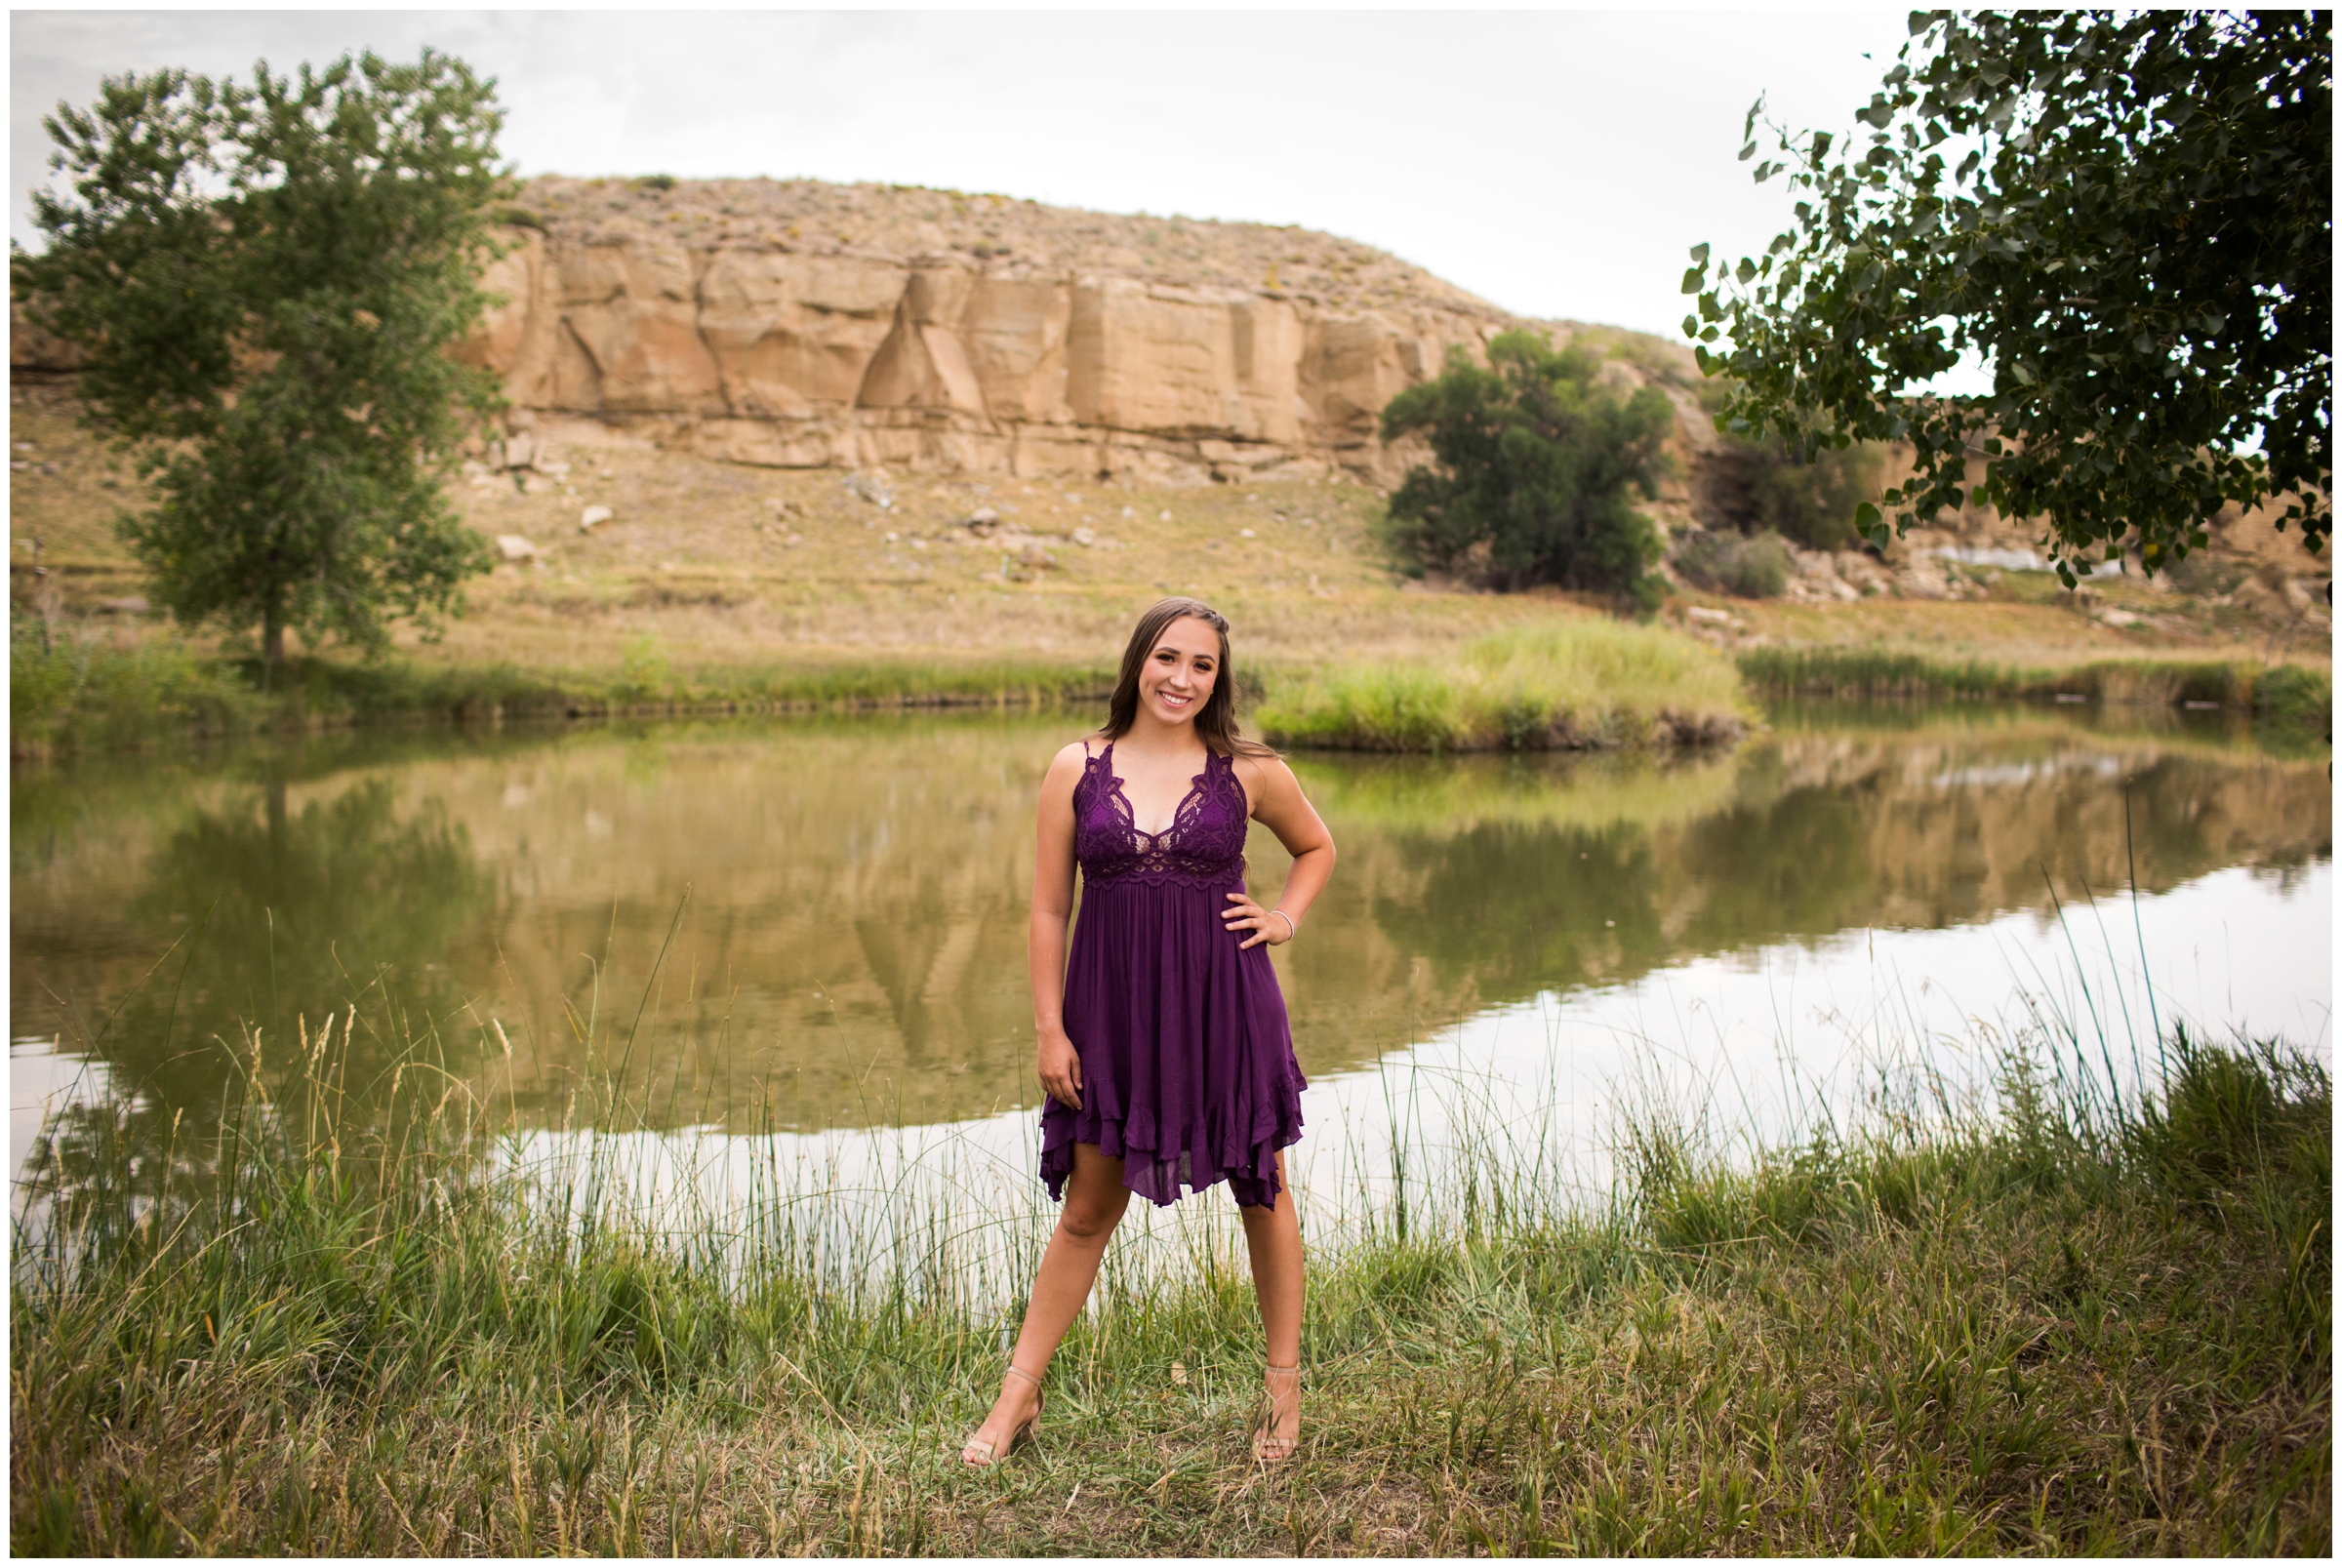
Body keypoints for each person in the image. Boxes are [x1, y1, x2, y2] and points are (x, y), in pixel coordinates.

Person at [960, 597, 1337, 1467]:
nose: (1182, 678)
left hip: (1227, 1004)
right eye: (1169, 657)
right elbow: (1050, 905)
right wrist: (1051, 1029)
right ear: (1139, 660)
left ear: (1219, 678)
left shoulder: (1249, 768)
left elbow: (1316, 847)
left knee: (1264, 1190)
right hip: (1111, 1011)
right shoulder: (1077, 766)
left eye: (1202, 665)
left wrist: (1283, 919)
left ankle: (1284, 1400)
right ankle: (1016, 1399)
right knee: (1088, 1208)